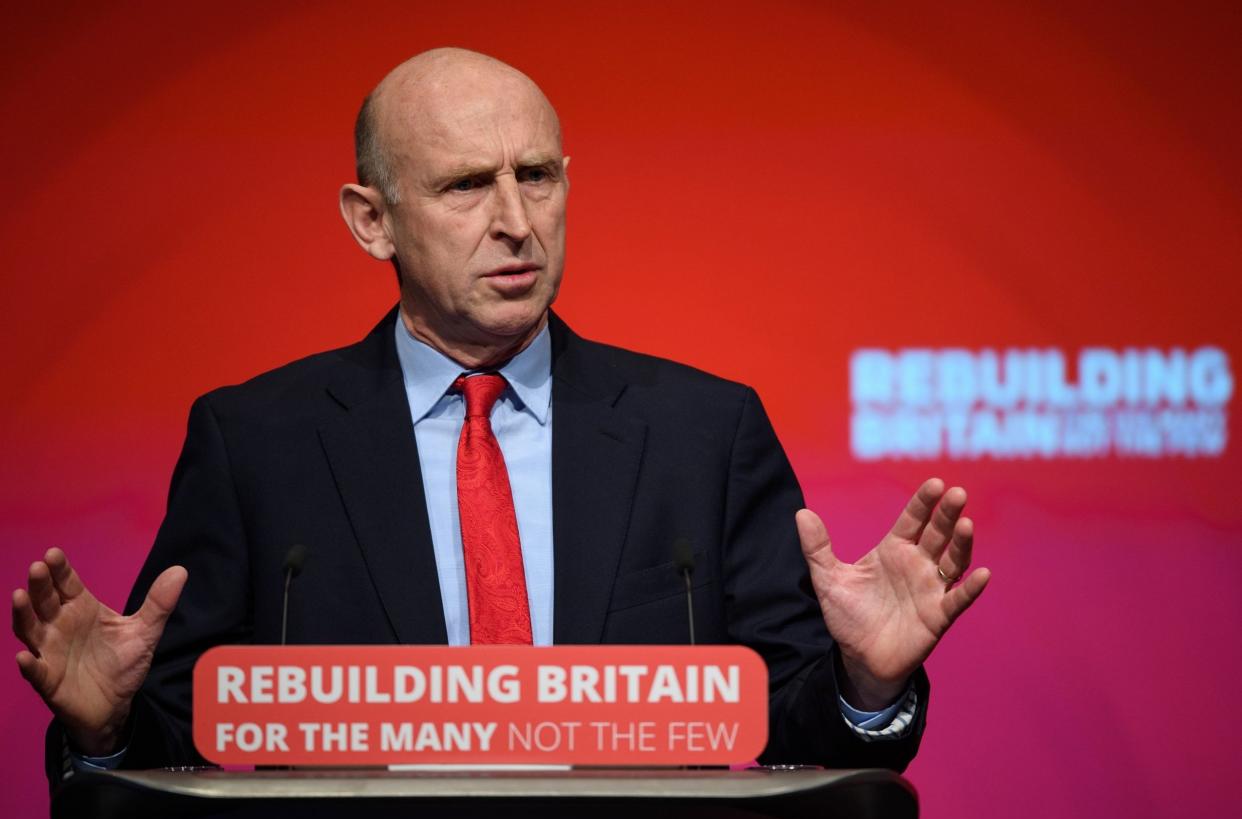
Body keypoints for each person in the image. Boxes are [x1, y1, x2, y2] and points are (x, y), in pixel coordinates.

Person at [12, 48, 989, 780]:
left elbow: (797, 744)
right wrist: (106, 730)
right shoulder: (257, 443)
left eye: (539, 176)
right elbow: (181, 752)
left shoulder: (704, 432)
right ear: (371, 220)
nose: (516, 222)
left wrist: (867, 688)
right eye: (466, 186)